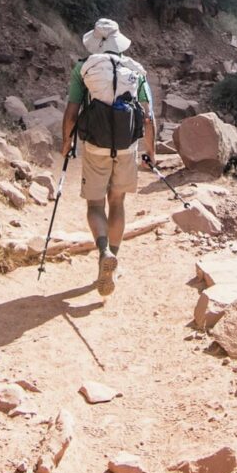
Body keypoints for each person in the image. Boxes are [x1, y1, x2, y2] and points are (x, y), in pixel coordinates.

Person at [60, 18, 158, 296]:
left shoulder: (83, 68)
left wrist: (66, 142)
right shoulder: (136, 71)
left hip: (95, 146)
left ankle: (103, 251)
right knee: (117, 202)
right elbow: (148, 116)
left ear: (95, 43)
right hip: (126, 147)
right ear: (119, 43)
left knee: (94, 205)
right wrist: (151, 151)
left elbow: (71, 112)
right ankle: (113, 257)